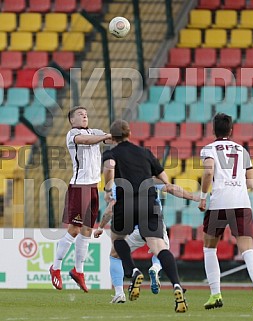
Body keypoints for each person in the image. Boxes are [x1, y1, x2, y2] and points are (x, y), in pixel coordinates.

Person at [101, 119, 188, 313]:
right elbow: (166, 182)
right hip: (149, 202)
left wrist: (108, 187)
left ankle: (132, 270)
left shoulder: (110, 152)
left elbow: (109, 166)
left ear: (112, 137)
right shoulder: (145, 153)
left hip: (126, 203)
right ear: (129, 134)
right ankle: (176, 284)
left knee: (117, 241)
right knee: (159, 247)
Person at [198, 113, 253, 312]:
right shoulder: (242, 150)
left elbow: (208, 172)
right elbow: (252, 182)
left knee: (210, 248)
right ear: (231, 130)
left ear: (213, 130)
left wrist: (203, 197)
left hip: (219, 202)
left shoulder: (209, 148)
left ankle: (215, 294)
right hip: (241, 202)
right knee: (247, 249)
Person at [94, 182, 199, 303]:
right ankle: (155, 269)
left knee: (115, 255)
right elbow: (171, 188)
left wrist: (101, 227)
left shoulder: (118, 181)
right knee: (162, 252)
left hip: (136, 229)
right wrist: (193, 197)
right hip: (154, 225)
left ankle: (119, 293)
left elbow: (111, 209)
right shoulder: (149, 174)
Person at [49, 106, 111, 292]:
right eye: (80, 114)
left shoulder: (94, 132)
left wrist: (117, 135)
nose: (84, 116)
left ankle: (79, 271)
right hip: (79, 186)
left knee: (87, 230)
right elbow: (87, 140)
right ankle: (56, 266)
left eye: (86, 113)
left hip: (93, 186)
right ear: (71, 120)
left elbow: (109, 138)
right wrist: (105, 136)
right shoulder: (73, 134)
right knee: (74, 228)